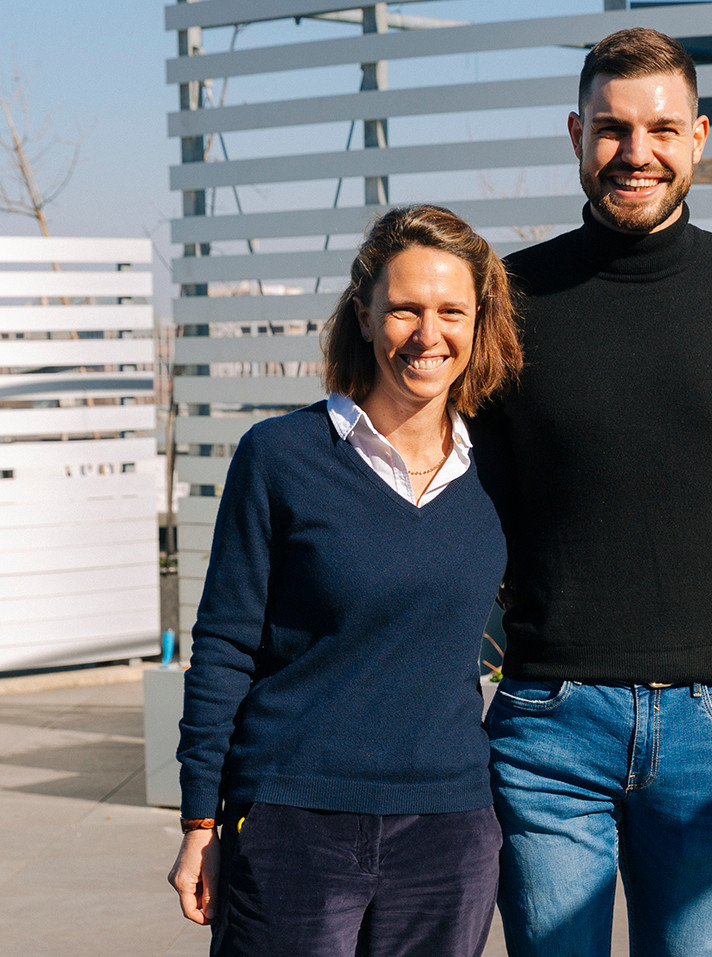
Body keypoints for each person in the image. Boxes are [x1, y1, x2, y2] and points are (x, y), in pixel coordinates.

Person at [473, 26, 712, 957]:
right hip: (547, 720)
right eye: (612, 129)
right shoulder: (508, 295)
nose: (636, 153)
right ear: (575, 133)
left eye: (661, 128)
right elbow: (471, 489)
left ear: (699, 136)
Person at [167, 204, 523, 957]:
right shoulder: (279, 456)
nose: (428, 335)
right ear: (364, 316)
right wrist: (201, 818)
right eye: (404, 309)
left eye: (451, 311)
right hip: (292, 822)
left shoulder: (501, 470)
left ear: (478, 321)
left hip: (449, 833)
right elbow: (225, 645)